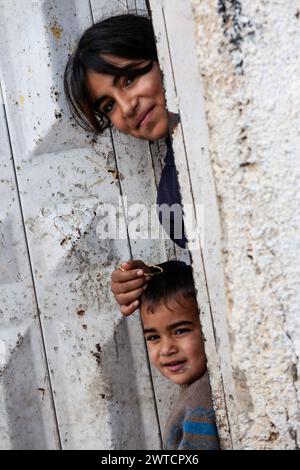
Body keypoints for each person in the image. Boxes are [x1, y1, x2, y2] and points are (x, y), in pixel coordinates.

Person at [64, 14, 186, 316]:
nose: (127, 106)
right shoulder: (172, 195)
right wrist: (151, 279)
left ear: (161, 52)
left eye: (129, 78)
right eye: (109, 105)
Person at [140, 260, 219, 450]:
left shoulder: (201, 402)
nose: (166, 349)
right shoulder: (195, 391)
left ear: (209, 325)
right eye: (153, 337)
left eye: (180, 331)